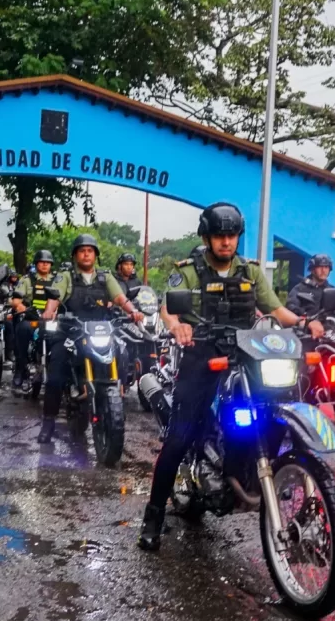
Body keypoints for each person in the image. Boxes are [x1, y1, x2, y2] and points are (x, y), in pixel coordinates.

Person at [137, 203, 324, 551]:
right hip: (202, 356)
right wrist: (178, 326)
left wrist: (302, 322)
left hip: (248, 356)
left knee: (274, 410)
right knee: (178, 439)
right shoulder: (189, 272)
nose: (226, 241)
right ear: (207, 238)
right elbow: (168, 308)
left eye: (232, 235)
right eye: (219, 235)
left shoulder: (251, 272)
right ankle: (153, 516)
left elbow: (275, 309)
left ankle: (249, 471)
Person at [37, 234, 144, 443]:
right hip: (71, 330)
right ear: (75, 255)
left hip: (100, 330)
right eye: (82, 251)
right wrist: (49, 312)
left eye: (90, 251)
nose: (86, 254)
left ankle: (116, 401)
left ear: (95, 255)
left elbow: (120, 298)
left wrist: (133, 311)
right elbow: (54, 297)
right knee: (56, 371)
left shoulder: (105, 277)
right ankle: (48, 422)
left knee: (122, 351)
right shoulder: (65, 276)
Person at [10, 250, 58, 388]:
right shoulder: (27, 279)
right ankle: (20, 369)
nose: (45, 265)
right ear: (36, 264)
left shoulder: (57, 280)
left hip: (51, 320)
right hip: (32, 318)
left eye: (48, 263)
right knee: (22, 331)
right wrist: (19, 306)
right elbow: (16, 299)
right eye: (42, 262)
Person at [286, 253, 335, 318]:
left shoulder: (333, 291)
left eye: (326, 267)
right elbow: (291, 308)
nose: (323, 270)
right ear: (312, 269)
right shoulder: (300, 289)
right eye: (320, 267)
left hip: (328, 326)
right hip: (306, 325)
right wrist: (304, 315)